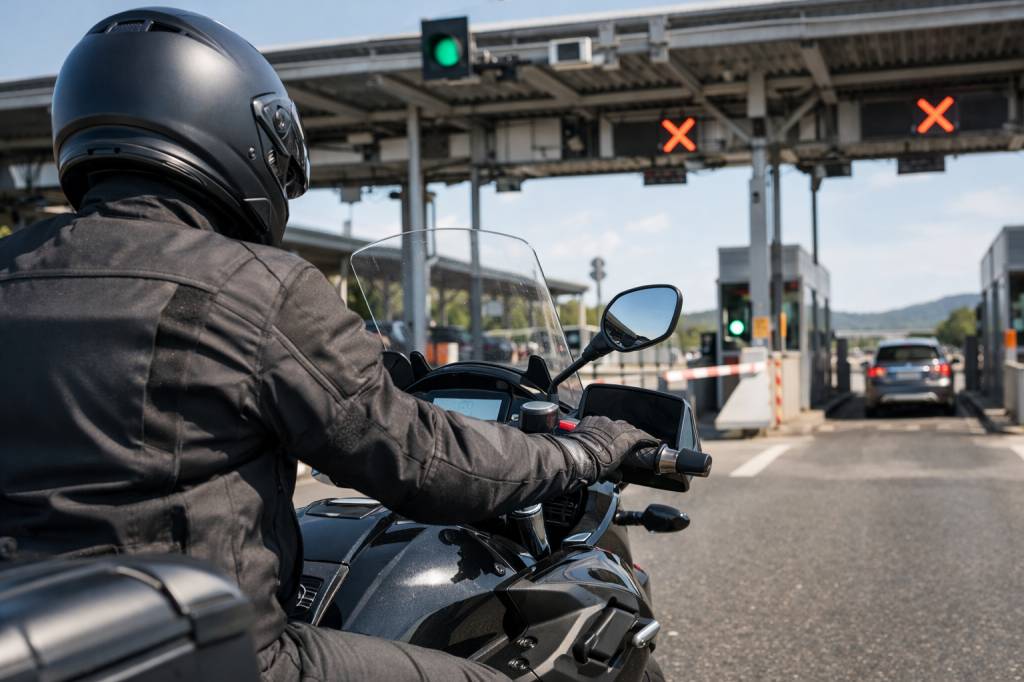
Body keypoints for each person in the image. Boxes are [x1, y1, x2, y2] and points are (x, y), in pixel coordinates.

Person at [0, 8, 657, 682]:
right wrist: (584, 449)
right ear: (228, 124)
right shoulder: (253, 288)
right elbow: (425, 463)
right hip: (217, 658)